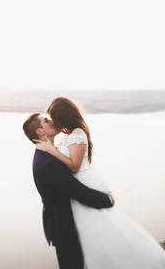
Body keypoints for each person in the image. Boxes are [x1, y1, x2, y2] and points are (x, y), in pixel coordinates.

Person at [34, 96, 165, 269]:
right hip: (65, 211)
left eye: (53, 117)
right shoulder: (52, 152)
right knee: (90, 234)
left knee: (101, 228)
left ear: (62, 115)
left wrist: (52, 150)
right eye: (48, 120)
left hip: (83, 186)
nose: (52, 121)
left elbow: (74, 167)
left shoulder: (73, 136)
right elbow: (69, 184)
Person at [23, 112, 115, 269]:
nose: (52, 121)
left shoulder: (47, 154)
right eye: (46, 120)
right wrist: (106, 200)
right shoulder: (48, 162)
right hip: (65, 228)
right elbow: (76, 190)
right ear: (40, 131)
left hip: (61, 224)